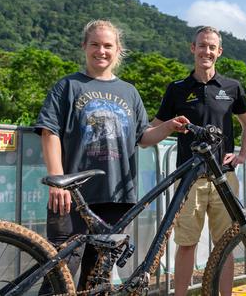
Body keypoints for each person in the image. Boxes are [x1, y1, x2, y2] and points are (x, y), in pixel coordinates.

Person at [35, 20, 189, 292]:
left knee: (98, 278)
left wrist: (168, 126)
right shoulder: (68, 86)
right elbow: (49, 132)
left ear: (118, 50)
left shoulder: (129, 92)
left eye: (108, 45)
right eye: (95, 44)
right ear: (84, 47)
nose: (101, 51)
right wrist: (58, 181)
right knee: (60, 274)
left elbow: (143, 137)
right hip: (72, 197)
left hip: (118, 197)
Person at [152, 26, 246, 296]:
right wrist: (140, 136)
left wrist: (242, 155)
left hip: (224, 178)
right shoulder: (177, 89)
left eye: (212, 47)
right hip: (189, 179)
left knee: (226, 244)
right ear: (193, 48)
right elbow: (154, 127)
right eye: (202, 45)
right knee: (186, 244)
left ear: (219, 52)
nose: (206, 51)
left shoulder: (232, 87)